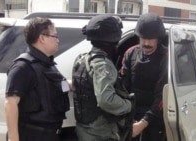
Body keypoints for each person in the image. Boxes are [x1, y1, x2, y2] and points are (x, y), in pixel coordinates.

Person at [5, 17, 70, 141]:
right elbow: (10, 103)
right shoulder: (23, 67)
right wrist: (13, 138)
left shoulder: (48, 65)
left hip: (50, 135)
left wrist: (82, 82)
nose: (58, 40)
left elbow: (60, 85)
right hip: (32, 135)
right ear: (42, 38)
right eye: (55, 36)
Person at [72, 14, 132, 141]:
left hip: (84, 130)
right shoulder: (102, 64)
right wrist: (128, 105)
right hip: (100, 133)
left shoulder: (82, 59)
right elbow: (106, 100)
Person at [120, 13, 168, 141]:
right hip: (131, 116)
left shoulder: (166, 57)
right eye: (143, 38)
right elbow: (122, 88)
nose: (146, 43)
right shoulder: (131, 53)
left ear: (158, 38)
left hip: (154, 118)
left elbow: (162, 96)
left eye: (151, 39)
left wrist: (143, 123)